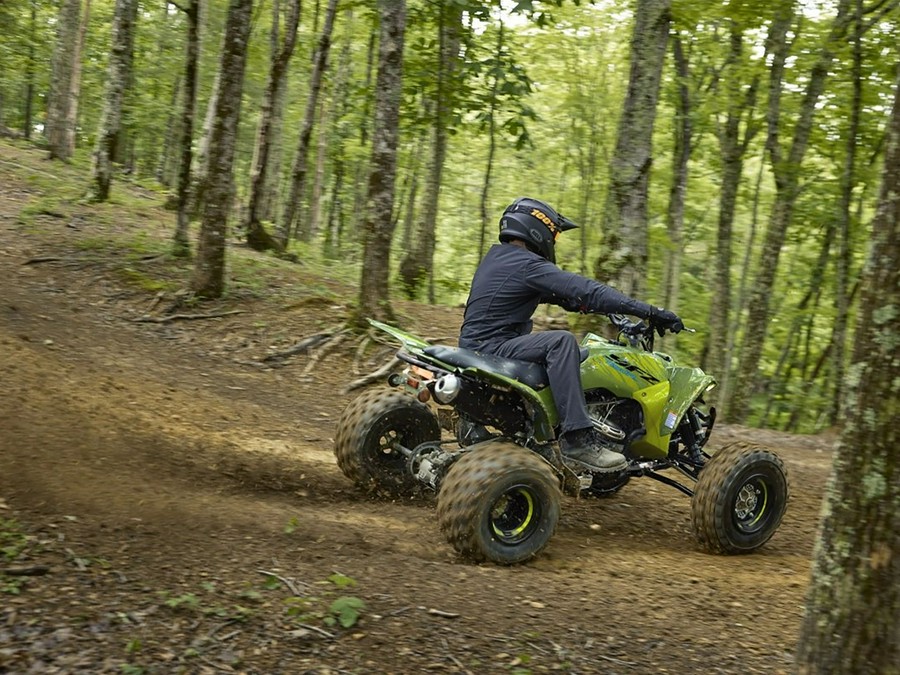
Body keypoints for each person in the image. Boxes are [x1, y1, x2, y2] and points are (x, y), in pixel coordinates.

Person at [458, 197, 684, 473]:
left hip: (474, 346)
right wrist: (648, 311)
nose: (554, 242)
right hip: (494, 347)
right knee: (562, 342)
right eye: (554, 235)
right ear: (538, 229)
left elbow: (564, 295)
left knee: (554, 345)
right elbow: (586, 289)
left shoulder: (498, 259)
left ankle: (484, 425)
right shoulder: (529, 265)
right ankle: (578, 441)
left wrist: (593, 307)